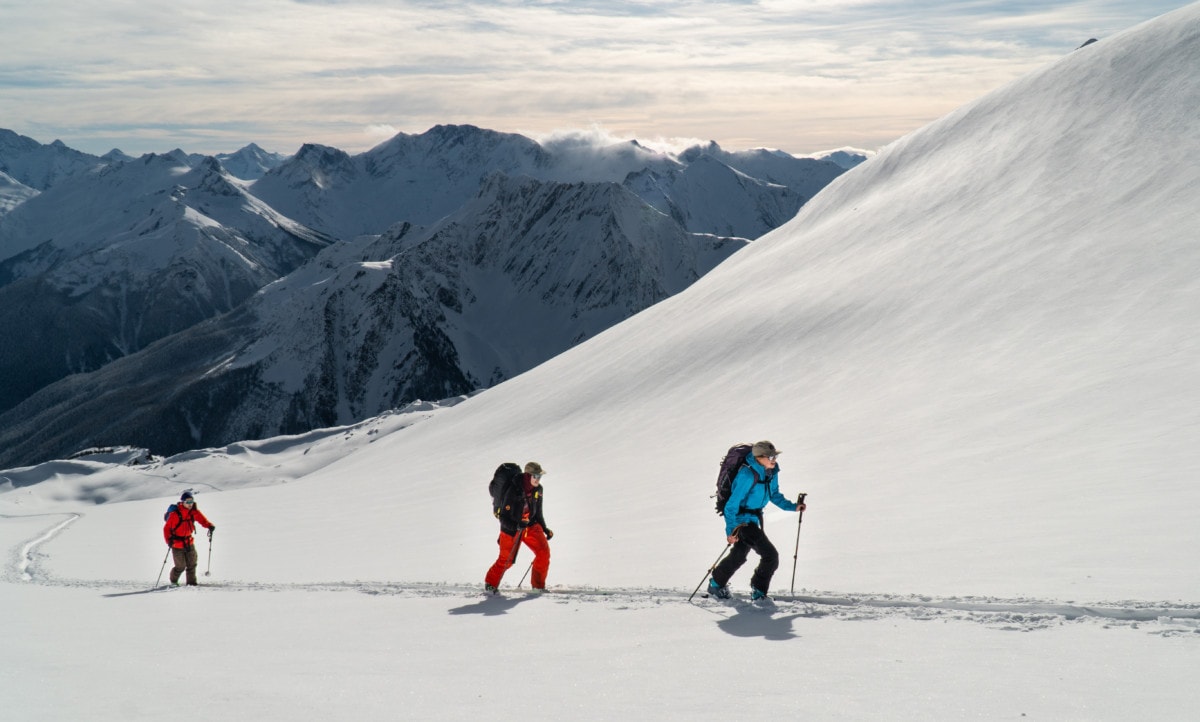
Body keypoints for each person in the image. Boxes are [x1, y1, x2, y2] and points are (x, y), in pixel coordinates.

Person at [709, 440, 805, 602]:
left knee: (739, 555)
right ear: (759, 457)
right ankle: (759, 591)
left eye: (775, 456)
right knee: (770, 556)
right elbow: (731, 505)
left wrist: (793, 507)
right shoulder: (747, 475)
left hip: (754, 519)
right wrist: (731, 530)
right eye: (770, 456)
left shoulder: (771, 472)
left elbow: (774, 495)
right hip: (742, 521)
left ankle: (716, 583)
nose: (774, 459)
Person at [485, 462, 553, 593]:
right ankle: (490, 584)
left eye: (540, 476)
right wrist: (517, 525)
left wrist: (545, 528)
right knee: (506, 560)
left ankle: (538, 587)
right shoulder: (513, 490)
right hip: (511, 529)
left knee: (543, 553)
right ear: (528, 476)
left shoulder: (538, 489)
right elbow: (503, 517)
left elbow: (538, 512)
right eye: (536, 476)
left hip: (530, 525)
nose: (538, 479)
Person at [163, 490, 215, 586]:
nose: (190, 504)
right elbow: (166, 529)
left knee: (192, 564)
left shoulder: (194, 512)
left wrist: (209, 526)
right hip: (177, 544)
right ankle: (174, 581)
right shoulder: (175, 514)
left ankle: (191, 584)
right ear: (183, 502)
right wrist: (168, 540)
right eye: (188, 502)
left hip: (189, 542)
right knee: (180, 566)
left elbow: (202, 520)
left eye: (191, 501)